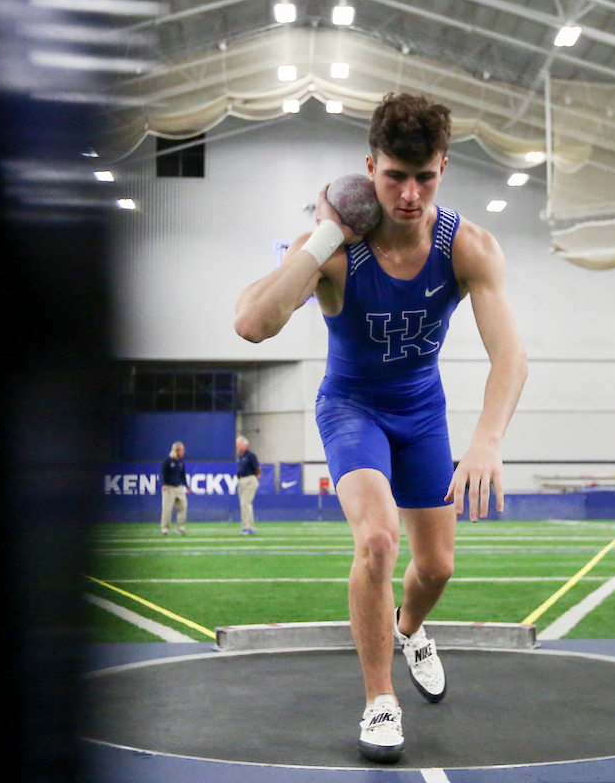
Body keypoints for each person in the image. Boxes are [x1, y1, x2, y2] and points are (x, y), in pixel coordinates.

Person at [234, 92, 527, 764]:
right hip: (352, 407)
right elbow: (253, 323)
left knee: (438, 567)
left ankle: (411, 628)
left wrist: (486, 438)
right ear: (370, 168)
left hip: (422, 411)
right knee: (376, 541)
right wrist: (323, 234)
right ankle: (380, 700)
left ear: (443, 169)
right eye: (395, 175)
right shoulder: (340, 252)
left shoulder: (468, 248)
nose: (409, 194)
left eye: (424, 177)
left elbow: (510, 354)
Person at [160, 441, 188, 536]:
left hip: (179, 487)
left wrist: (186, 486)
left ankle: (180, 527)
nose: (183, 451)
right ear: (177, 450)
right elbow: (162, 473)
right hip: (169, 488)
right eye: (182, 449)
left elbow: (183, 475)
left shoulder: (180, 462)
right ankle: (165, 528)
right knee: (167, 509)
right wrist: (163, 484)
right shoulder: (168, 461)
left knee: (183, 507)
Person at [235, 435, 261, 535]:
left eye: (239, 444)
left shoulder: (250, 455)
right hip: (242, 480)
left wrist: (256, 478)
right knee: (247, 504)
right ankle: (251, 527)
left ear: (244, 445)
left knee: (244, 503)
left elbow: (257, 468)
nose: (237, 446)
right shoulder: (240, 456)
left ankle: (246, 527)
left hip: (249, 480)